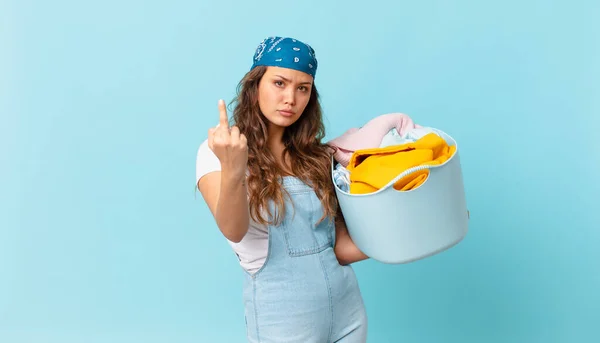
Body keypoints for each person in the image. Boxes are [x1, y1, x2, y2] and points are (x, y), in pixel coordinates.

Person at [196, 36, 369, 343]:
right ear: (255, 85)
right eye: (279, 83)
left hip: (347, 315)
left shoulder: (316, 158)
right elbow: (233, 230)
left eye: (302, 88)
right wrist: (235, 168)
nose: (291, 98)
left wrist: (412, 232)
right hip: (284, 323)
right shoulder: (218, 151)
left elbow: (340, 247)